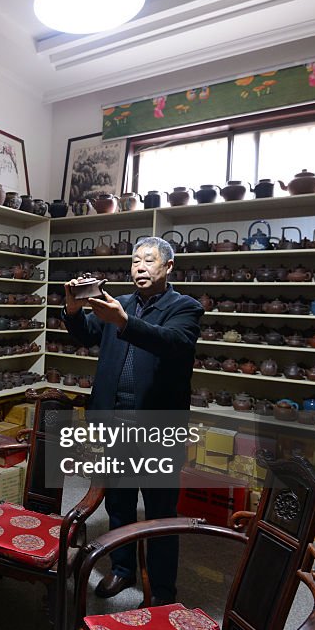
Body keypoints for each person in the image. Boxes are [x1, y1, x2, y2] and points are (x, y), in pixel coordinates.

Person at [62, 236, 203, 605]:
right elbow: (86, 336)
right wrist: (73, 310)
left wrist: (124, 322)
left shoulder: (185, 307)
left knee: (159, 511)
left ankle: (161, 591)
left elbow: (172, 342)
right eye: (135, 260)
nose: (140, 266)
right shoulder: (118, 303)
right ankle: (122, 568)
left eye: (149, 260)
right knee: (119, 503)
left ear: (167, 267)